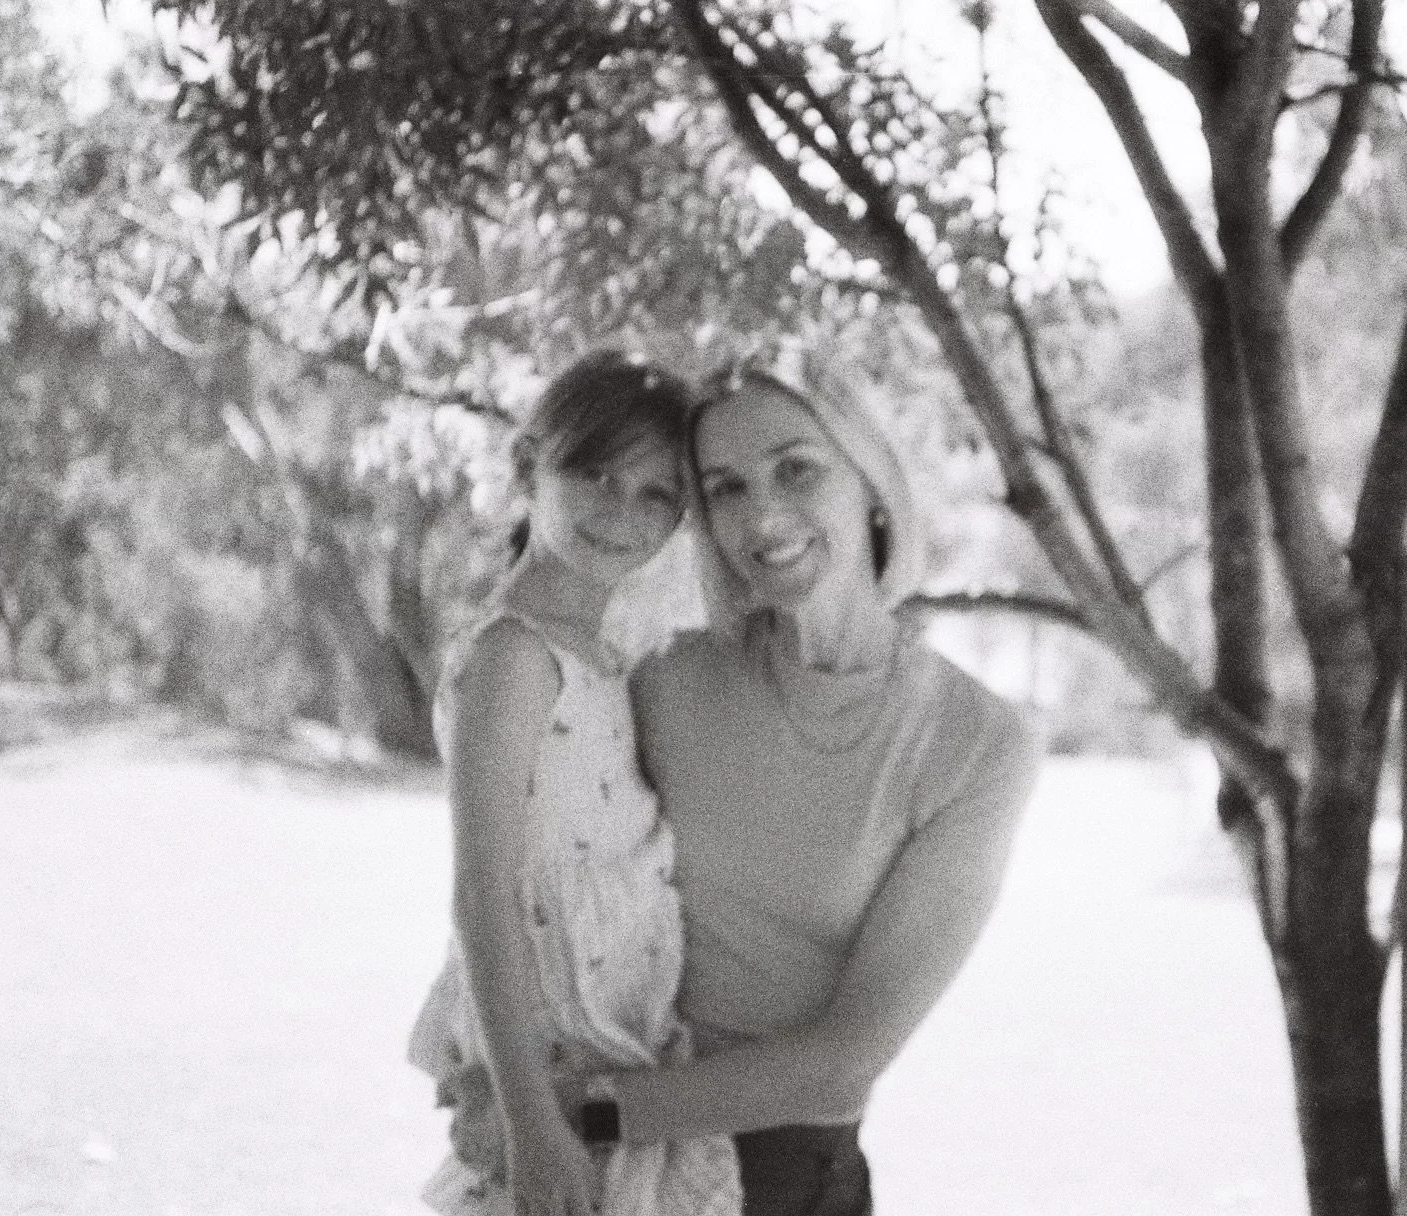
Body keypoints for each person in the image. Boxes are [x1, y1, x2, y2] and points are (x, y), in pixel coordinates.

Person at [580, 367, 1041, 1215]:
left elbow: (843, 1061)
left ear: (869, 483)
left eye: (798, 469)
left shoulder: (977, 744)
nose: (760, 517)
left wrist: (572, 1115)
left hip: (779, 1179)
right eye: (726, 489)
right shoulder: (664, 683)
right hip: (604, 1166)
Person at [407, 351, 741, 1216]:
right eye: (593, 473)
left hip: (622, 1061)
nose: (620, 511)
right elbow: (484, 897)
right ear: (527, 469)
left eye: (657, 494)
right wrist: (530, 1125)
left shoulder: (607, 656)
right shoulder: (516, 656)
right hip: (551, 1080)